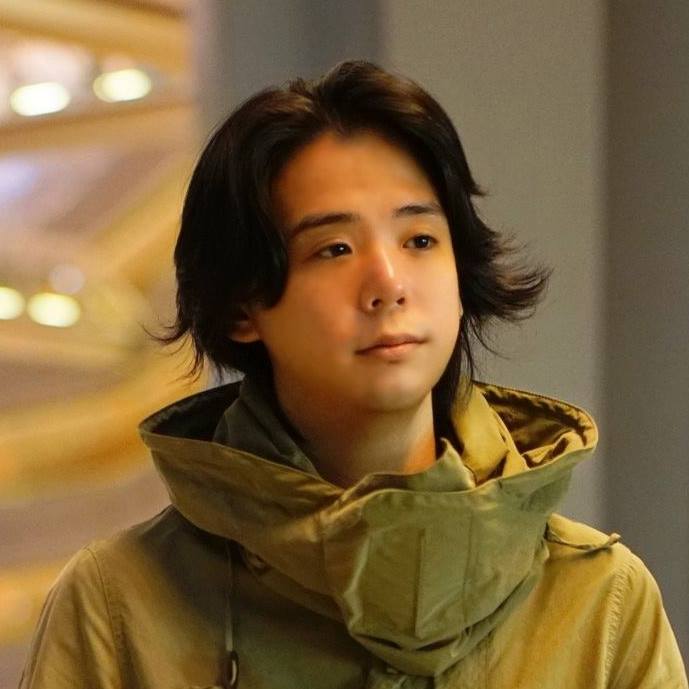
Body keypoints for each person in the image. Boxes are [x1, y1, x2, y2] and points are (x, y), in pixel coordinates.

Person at [19, 61, 687, 689]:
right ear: (242, 305)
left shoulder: (599, 602)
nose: (388, 282)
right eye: (333, 248)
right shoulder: (120, 605)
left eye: (420, 240)